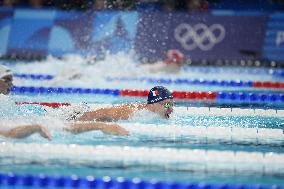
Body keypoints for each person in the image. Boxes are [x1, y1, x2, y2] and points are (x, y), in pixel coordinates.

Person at [0, 65, 129, 140]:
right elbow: (9, 132)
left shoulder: (5, 101)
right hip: (41, 118)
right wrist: (35, 127)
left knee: (91, 114)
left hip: (43, 113)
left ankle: (142, 109)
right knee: (93, 116)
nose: (11, 84)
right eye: (6, 80)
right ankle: (142, 109)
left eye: (11, 80)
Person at [73, 86, 174, 122]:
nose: (171, 109)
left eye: (171, 105)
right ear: (152, 104)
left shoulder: (149, 115)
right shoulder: (130, 113)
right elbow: (98, 114)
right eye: (166, 104)